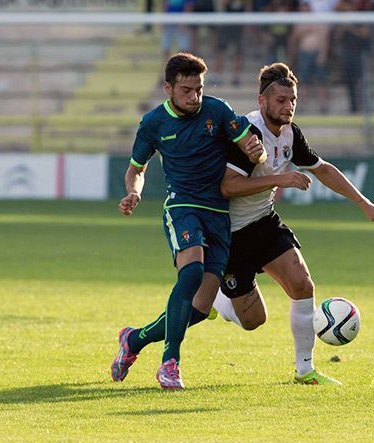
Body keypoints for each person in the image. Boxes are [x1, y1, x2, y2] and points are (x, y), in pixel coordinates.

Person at [212, 63, 374, 385]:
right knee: (253, 321)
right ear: (262, 101)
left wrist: (364, 204)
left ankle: (305, 371)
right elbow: (228, 187)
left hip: (263, 222)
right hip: (230, 233)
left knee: (303, 285)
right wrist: (282, 179)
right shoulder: (248, 134)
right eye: (281, 100)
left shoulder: (291, 133)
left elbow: (323, 169)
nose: (288, 106)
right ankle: (216, 299)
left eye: (293, 99)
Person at [110, 52, 266, 390]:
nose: (194, 97)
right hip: (182, 206)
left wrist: (256, 151)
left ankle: (133, 340)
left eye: (198, 89)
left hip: (220, 213)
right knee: (191, 271)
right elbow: (136, 169)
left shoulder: (218, 110)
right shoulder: (153, 123)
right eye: (186, 90)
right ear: (168, 88)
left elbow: (250, 145)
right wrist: (133, 192)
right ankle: (170, 363)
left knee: (198, 308)